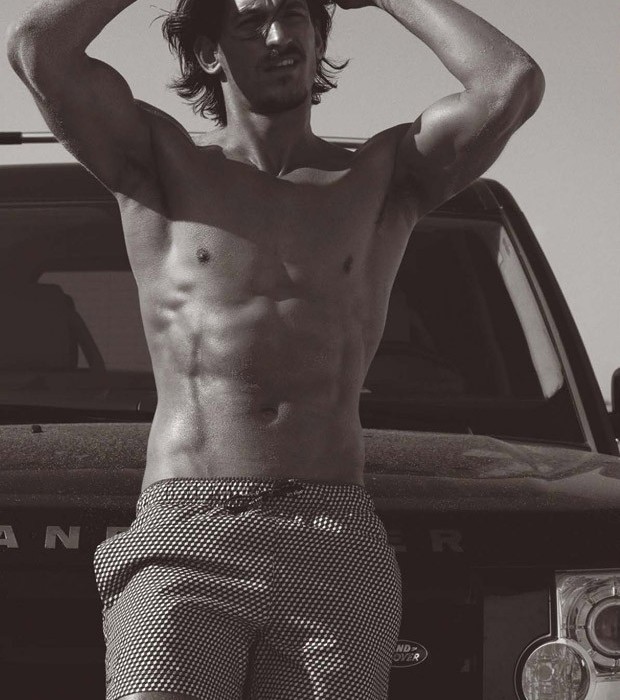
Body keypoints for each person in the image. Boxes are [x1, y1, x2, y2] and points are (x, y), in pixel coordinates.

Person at [7, 0, 544, 697]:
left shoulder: (382, 177)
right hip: (188, 528)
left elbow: (509, 81)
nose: (279, 33)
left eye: (295, 15)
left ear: (319, 37)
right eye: (252, 19)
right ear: (209, 52)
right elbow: (38, 48)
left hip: (333, 537)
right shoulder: (160, 164)